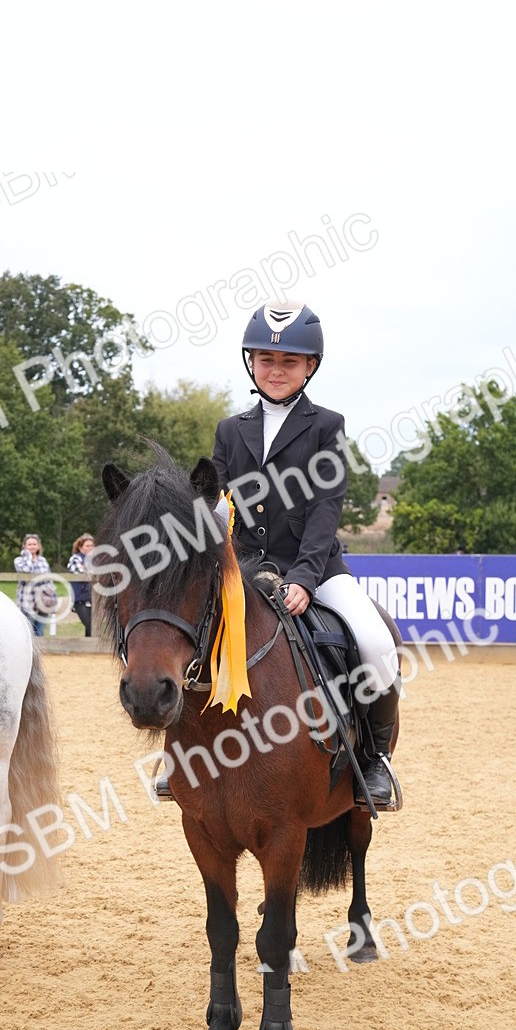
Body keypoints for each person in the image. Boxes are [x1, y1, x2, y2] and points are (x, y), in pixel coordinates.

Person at [208, 301, 400, 809]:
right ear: (251, 362)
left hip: (316, 568)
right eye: (266, 359)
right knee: (192, 634)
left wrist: (306, 578)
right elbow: (220, 505)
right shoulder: (230, 430)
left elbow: (325, 506)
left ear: (310, 366)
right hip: (243, 570)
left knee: (377, 645)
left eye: (289, 361)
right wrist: (224, 566)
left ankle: (376, 761)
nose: (276, 370)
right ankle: (180, 755)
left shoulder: (326, 426)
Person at [14, 533, 57, 637]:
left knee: (40, 632)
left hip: (43, 601)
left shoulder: (43, 561)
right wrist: (28, 556)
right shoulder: (19, 560)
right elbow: (26, 570)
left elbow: (49, 579)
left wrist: (52, 598)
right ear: (24, 546)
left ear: (38, 546)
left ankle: (38, 653)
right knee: (29, 633)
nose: (32, 546)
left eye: (34, 544)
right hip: (27, 601)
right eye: (29, 544)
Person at [67, 533, 94, 637]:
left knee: (93, 628)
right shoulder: (76, 558)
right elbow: (81, 573)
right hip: (81, 599)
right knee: (90, 626)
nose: (90, 548)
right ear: (80, 547)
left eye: (92, 545)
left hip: (93, 599)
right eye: (87, 545)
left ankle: (90, 650)